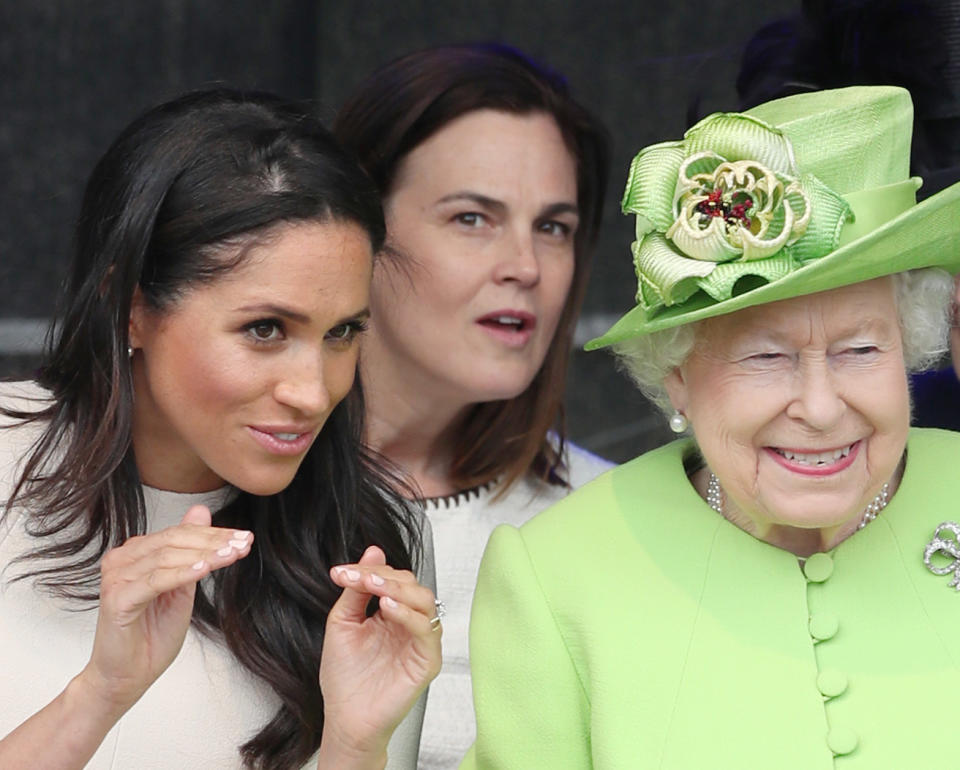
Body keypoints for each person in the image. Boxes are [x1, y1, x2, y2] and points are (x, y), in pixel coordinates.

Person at [463, 85, 960, 768]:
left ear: (912, 344)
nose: (820, 407)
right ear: (678, 375)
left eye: (860, 349)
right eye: (766, 357)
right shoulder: (555, 576)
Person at [0, 89, 441, 770]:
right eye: (265, 330)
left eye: (343, 333)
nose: (313, 391)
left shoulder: (371, 543)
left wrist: (356, 747)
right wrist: (98, 697)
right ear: (132, 309)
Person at [333, 44, 613, 768]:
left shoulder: (609, 520)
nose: (525, 265)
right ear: (359, 228)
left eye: (554, 227)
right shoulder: (226, 492)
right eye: (472, 218)